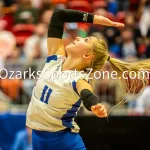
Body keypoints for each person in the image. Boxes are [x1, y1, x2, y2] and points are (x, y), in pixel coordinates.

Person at [26, 8, 149, 150]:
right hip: (38, 139)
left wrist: (95, 106)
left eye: (85, 40)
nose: (78, 37)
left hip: (63, 142)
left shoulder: (79, 79)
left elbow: (87, 94)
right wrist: (96, 19)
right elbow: (58, 15)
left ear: (86, 55)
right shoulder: (55, 57)